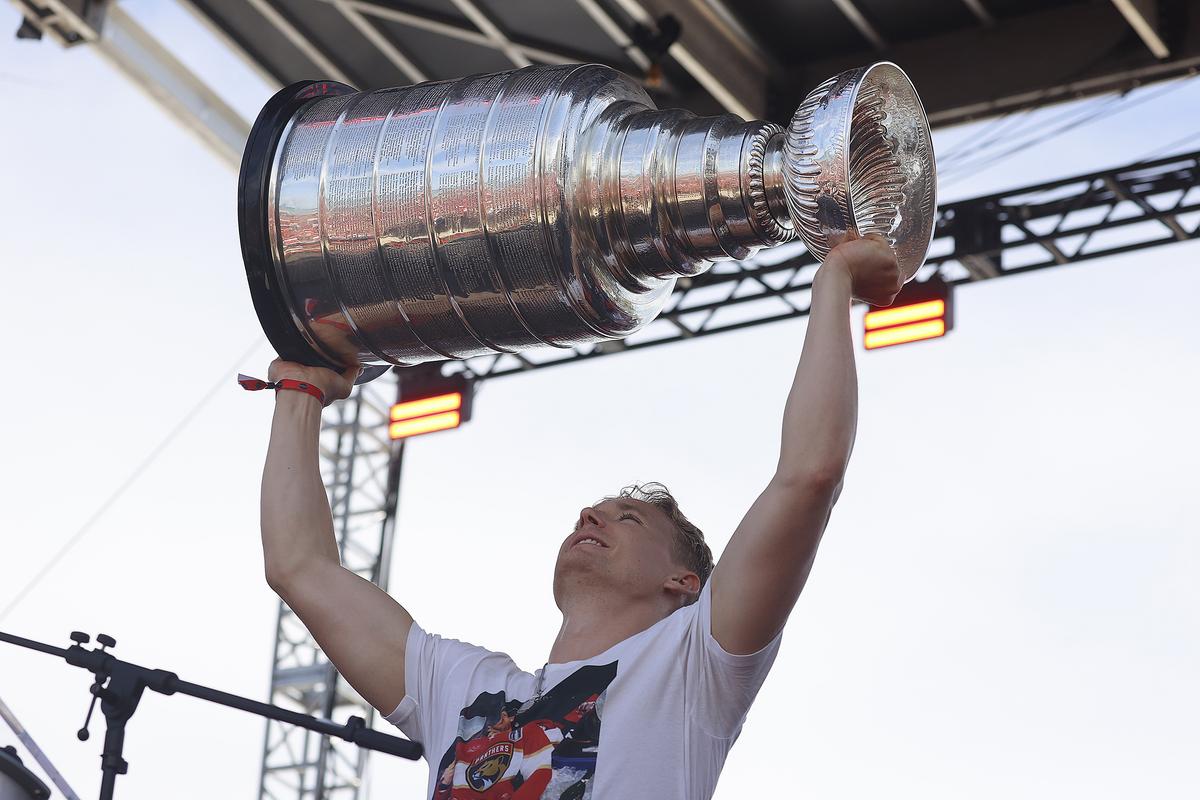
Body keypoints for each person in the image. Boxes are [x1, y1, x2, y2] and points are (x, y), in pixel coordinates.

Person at [258, 235, 903, 799]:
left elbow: (809, 475)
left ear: (684, 582)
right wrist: (301, 392)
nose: (591, 514)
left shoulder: (694, 665)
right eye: (595, 510)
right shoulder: (464, 687)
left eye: (629, 519)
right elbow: (298, 568)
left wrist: (834, 280)